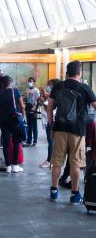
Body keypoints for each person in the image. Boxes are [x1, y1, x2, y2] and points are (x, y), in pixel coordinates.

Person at [47, 60, 96, 204]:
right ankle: (75, 195)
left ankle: (54, 192)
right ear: (80, 73)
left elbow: (49, 108)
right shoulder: (85, 88)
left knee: (57, 162)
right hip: (78, 131)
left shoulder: (58, 86)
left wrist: (51, 126)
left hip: (60, 129)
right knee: (76, 163)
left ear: (66, 73)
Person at [0, 75, 26, 173]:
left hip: (3, 120)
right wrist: (24, 118)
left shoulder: (0, 94)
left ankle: (8, 166)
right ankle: (15, 165)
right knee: (16, 142)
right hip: (15, 120)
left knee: (5, 142)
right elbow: (22, 106)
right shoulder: (15, 91)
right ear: (10, 83)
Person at [39, 79, 60, 168]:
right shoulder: (57, 93)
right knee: (52, 141)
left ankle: (49, 160)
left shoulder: (55, 94)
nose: (48, 87)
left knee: (51, 141)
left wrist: (42, 103)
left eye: (50, 85)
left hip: (52, 120)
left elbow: (50, 107)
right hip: (52, 120)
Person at [24, 77, 40, 147]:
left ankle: (35, 141)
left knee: (34, 126)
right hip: (28, 110)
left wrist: (35, 111)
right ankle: (29, 141)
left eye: (31, 81)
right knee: (29, 126)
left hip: (33, 111)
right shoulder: (28, 90)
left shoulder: (36, 90)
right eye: (29, 81)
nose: (29, 82)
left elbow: (38, 101)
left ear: (34, 82)